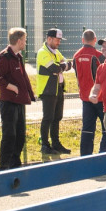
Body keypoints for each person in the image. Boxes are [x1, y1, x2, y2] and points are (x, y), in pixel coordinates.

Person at [0, 27, 35, 170]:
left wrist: (29, 93)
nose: (25, 42)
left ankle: (15, 164)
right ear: (18, 41)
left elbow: (23, 77)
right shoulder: (5, 56)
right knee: (9, 135)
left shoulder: (18, 56)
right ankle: (4, 167)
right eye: (24, 40)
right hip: (9, 102)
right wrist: (12, 87)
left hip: (20, 101)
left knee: (20, 135)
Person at [73, 30, 106, 156]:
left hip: (85, 98)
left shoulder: (76, 55)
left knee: (87, 129)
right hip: (100, 98)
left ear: (82, 40)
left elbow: (76, 75)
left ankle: (85, 156)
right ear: (95, 40)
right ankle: (103, 154)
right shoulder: (98, 55)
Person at [35, 28, 71, 156]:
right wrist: (62, 66)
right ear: (49, 39)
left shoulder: (55, 52)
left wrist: (62, 66)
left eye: (60, 40)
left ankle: (56, 143)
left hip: (58, 88)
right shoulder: (42, 52)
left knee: (57, 117)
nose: (59, 42)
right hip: (48, 89)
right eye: (57, 40)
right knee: (48, 118)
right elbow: (54, 68)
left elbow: (68, 64)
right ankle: (45, 145)